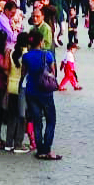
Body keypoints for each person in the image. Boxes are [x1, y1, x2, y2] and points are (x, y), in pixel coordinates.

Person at [21, 27, 60, 160]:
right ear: (41, 41)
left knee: (37, 122)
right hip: (46, 93)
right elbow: (53, 73)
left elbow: (23, 74)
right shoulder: (48, 55)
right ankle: (47, 149)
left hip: (31, 91)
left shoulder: (26, 56)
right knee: (51, 120)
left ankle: (39, 150)